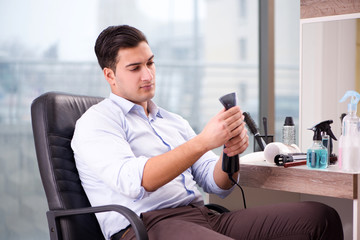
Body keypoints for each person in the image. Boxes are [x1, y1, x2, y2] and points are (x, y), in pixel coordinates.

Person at [71, 25, 344, 240]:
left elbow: (217, 185)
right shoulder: (96, 122)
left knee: (319, 217)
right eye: (135, 68)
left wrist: (228, 152)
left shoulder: (172, 120)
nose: (148, 75)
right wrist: (203, 141)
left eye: (150, 63)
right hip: (147, 228)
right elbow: (137, 181)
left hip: (203, 217)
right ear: (109, 75)